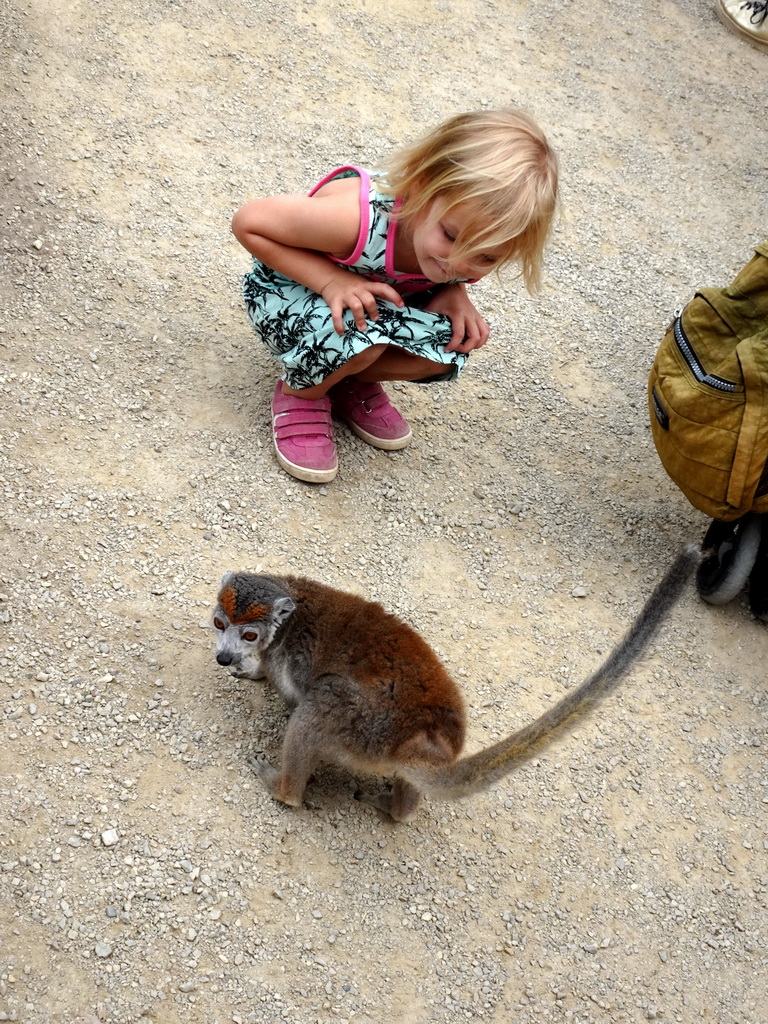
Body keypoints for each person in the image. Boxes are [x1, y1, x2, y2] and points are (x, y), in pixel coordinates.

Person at [232, 109, 559, 483]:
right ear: (421, 187)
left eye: (485, 257)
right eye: (451, 236)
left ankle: (342, 376)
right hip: (289, 291)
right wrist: (331, 281)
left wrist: (453, 290)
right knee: (363, 342)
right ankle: (302, 392)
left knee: (451, 344)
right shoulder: (352, 221)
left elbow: (451, 265)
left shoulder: (454, 248)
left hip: (370, 300)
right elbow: (249, 223)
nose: (458, 261)